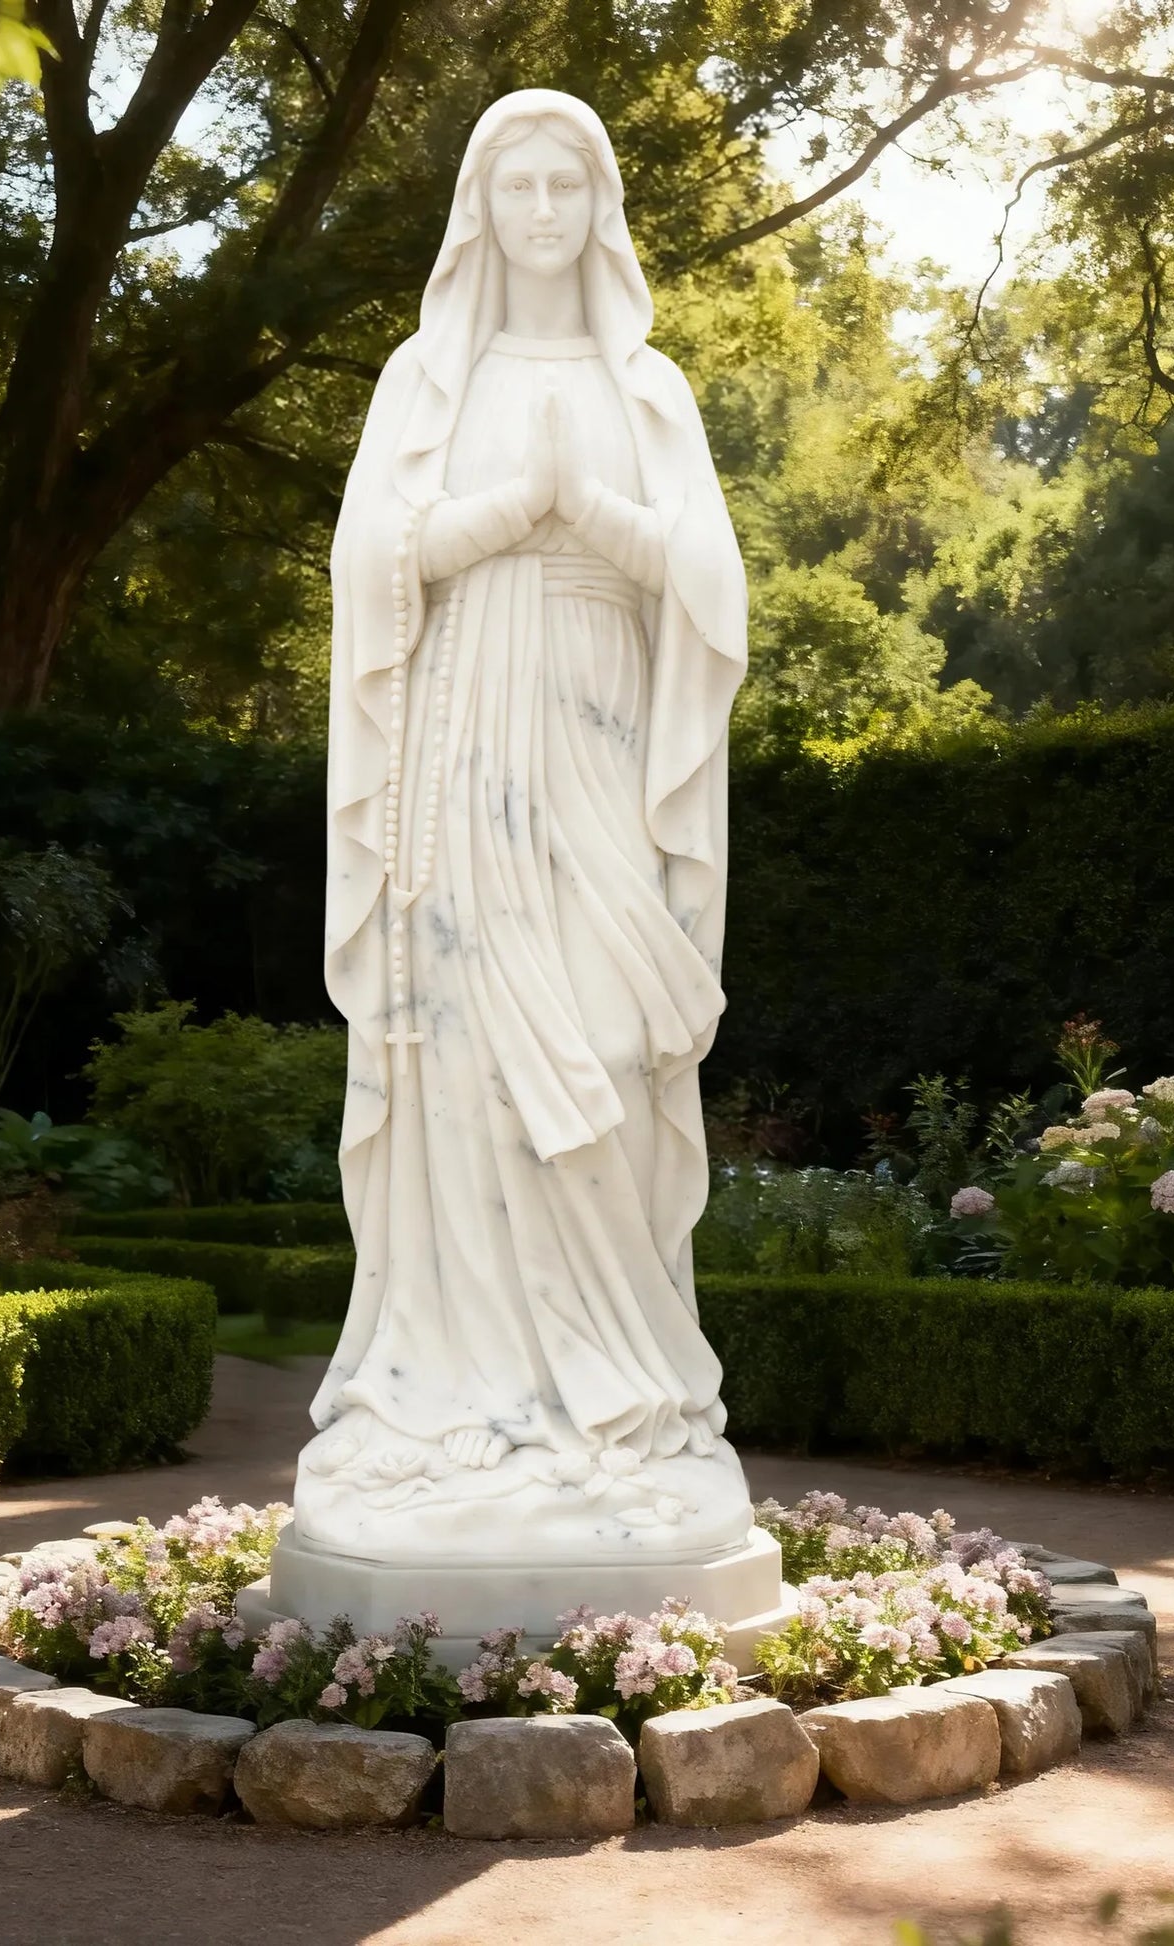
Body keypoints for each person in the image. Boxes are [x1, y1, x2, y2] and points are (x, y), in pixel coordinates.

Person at [304, 88, 752, 1562]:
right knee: (470, 1067)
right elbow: (375, 563)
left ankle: (620, 1387)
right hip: (459, 740)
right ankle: (470, 1387)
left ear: (599, 206)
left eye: (569, 185)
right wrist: (511, 508)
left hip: (601, 739)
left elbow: (707, 587)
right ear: (480, 211)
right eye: (520, 188)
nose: (545, 211)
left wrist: (597, 518)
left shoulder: (652, 391)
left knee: (616, 1052)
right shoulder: (425, 380)